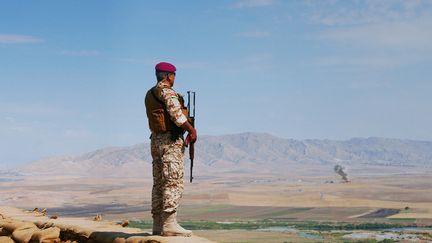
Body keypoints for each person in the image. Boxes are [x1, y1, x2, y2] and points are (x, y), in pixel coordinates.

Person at [144, 62, 197, 237]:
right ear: (168, 76)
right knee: (173, 181)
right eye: (173, 76)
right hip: (169, 142)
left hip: (156, 141)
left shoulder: (150, 93)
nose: (174, 79)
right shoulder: (167, 92)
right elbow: (177, 116)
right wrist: (191, 129)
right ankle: (169, 224)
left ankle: (158, 225)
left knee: (159, 182)